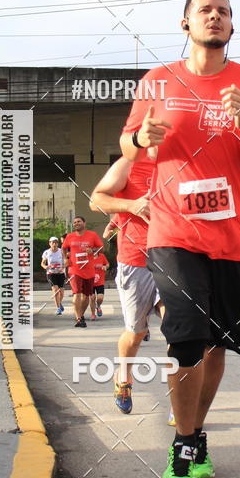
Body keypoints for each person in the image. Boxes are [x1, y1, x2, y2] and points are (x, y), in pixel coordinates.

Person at [120, 0, 240, 478]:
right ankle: (183, 446)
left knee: (216, 347)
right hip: (172, 233)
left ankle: (196, 433)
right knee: (185, 338)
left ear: (232, 27)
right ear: (185, 24)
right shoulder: (158, 81)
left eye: (224, 12)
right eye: (205, 11)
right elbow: (129, 143)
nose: (215, 17)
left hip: (232, 238)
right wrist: (140, 139)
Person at [90, 155, 159, 414]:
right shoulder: (130, 163)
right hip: (136, 261)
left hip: (174, 259)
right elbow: (96, 199)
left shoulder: (184, 162)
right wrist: (131, 206)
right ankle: (124, 376)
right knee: (136, 333)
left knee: (180, 329)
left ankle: (181, 404)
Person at [61, 217, 104, 328]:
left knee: (86, 296)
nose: (76, 223)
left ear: (84, 223)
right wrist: (65, 259)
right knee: (77, 293)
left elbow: (101, 248)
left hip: (89, 270)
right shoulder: (70, 237)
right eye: (75, 222)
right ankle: (79, 318)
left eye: (79, 221)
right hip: (74, 269)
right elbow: (63, 248)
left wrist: (93, 250)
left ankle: (81, 315)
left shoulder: (92, 235)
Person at [40, 236, 66, 314]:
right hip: (51, 273)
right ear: (49, 243)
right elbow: (42, 263)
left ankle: (59, 303)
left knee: (61, 292)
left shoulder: (61, 251)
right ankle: (58, 308)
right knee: (55, 290)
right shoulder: (47, 252)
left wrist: (63, 267)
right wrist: (46, 267)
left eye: (56, 242)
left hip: (60, 273)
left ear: (58, 243)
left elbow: (66, 261)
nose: (54, 244)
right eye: (53, 242)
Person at [89, 249, 110, 321]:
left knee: (100, 298)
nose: (94, 251)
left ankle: (98, 306)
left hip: (100, 281)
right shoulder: (88, 257)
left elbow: (107, 264)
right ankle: (93, 314)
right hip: (90, 281)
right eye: (93, 250)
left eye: (95, 250)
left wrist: (105, 267)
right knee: (92, 298)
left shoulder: (102, 256)